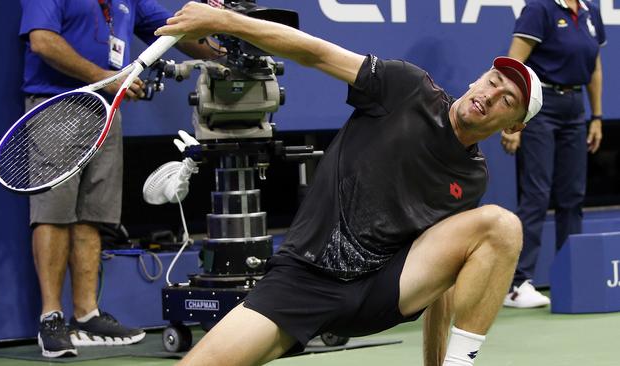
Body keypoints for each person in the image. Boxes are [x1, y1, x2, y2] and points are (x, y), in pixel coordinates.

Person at [156, 2, 543, 365]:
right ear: (479, 78)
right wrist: (223, 21)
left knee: (503, 226)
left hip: (379, 292)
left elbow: (441, 277)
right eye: (493, 81)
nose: (491, 95)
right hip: (303, 280)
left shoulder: (472, 178)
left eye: (507, 100)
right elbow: (315, 52)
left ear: (513, 126)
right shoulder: (407, 88)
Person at [19, 0, 219, 358]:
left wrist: (230, 45)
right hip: (57, 105)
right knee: (53, 212)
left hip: (106, 111)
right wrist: (108, 79)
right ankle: (51, 318)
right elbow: (43, 41)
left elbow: (179, 30)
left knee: (92, 216)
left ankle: (86, 316)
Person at [499, 0, 605, 308]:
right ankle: (518, 284)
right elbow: (512, 67)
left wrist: (596, 117)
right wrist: (510, 121)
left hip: (575, 108)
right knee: (537, 194)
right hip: (540, 107)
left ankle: (571, 275)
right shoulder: (540, 8)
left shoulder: (590, 11)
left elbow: (595, 67)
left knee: (573, 197)